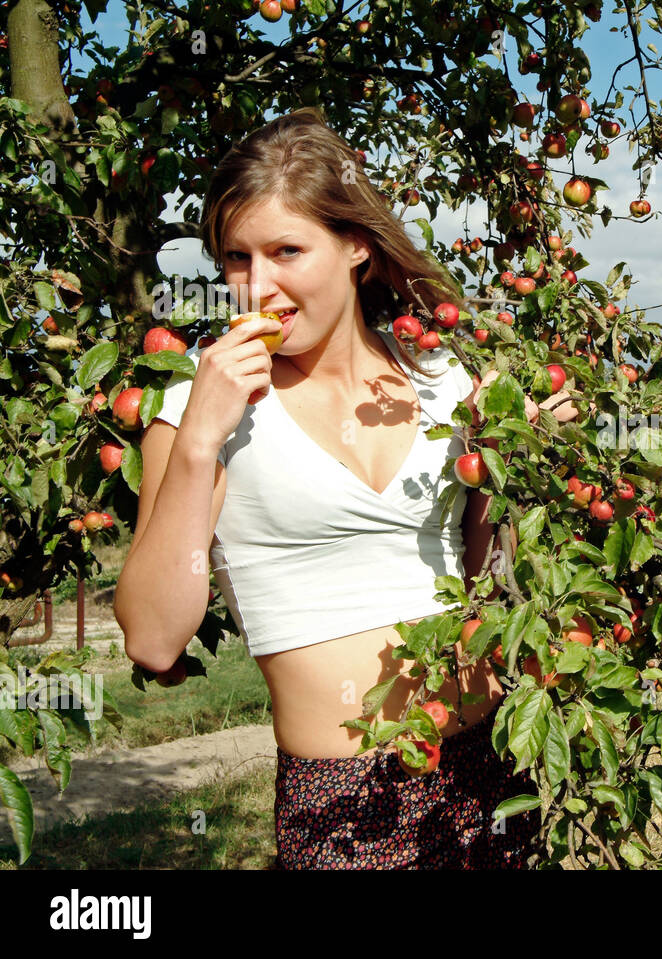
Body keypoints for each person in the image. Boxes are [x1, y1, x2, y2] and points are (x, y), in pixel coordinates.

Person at [114, 109, 546, 869]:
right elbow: (153, 640)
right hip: (340, 800)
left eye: (287, 250)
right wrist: (199, 443)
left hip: (490, 769)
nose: (260, 287)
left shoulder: (446, 381)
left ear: (355, 246)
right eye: (237, 259)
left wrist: (517, 465)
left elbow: (493, 586)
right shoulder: (197, 403)